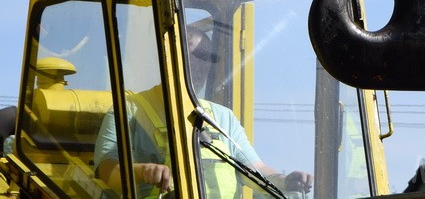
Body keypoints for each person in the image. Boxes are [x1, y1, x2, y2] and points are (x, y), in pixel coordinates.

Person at [94, 29, 313, 197]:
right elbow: (107, 170)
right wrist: (143, 172)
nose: (199, 65)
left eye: (206, 57)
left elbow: (254, 167)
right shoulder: (127, 110)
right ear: (169, 57)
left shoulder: (223, 117)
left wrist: (284, 180)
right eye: (193, 55)